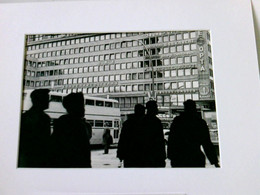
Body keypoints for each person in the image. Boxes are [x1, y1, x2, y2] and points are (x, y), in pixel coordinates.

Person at [167, 99, 220, 168]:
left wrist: (170, 155)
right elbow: (207, 143)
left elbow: (172, 139)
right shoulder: (200, 122)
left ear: (185, 108)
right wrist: (214, 161)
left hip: (179, 158)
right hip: (195, 157)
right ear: (194, 108)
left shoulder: (178, 121)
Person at [51, 92, 92, 168]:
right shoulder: (68, 123)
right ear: (74, 107)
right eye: (81, 105)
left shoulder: (62, 122)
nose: (84, 108)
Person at [18, 89, 51, 167]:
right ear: (39, 100)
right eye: (47, 99)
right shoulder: (43, 118)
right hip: (36, 157)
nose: (48, 101)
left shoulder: (25, 116)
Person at [142, 100, 166, 167]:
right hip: (155, 155)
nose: (157, 109)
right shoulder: (156, 122)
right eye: (156, 107)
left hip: (145, 155)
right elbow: (159, 140)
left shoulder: (142, 121)